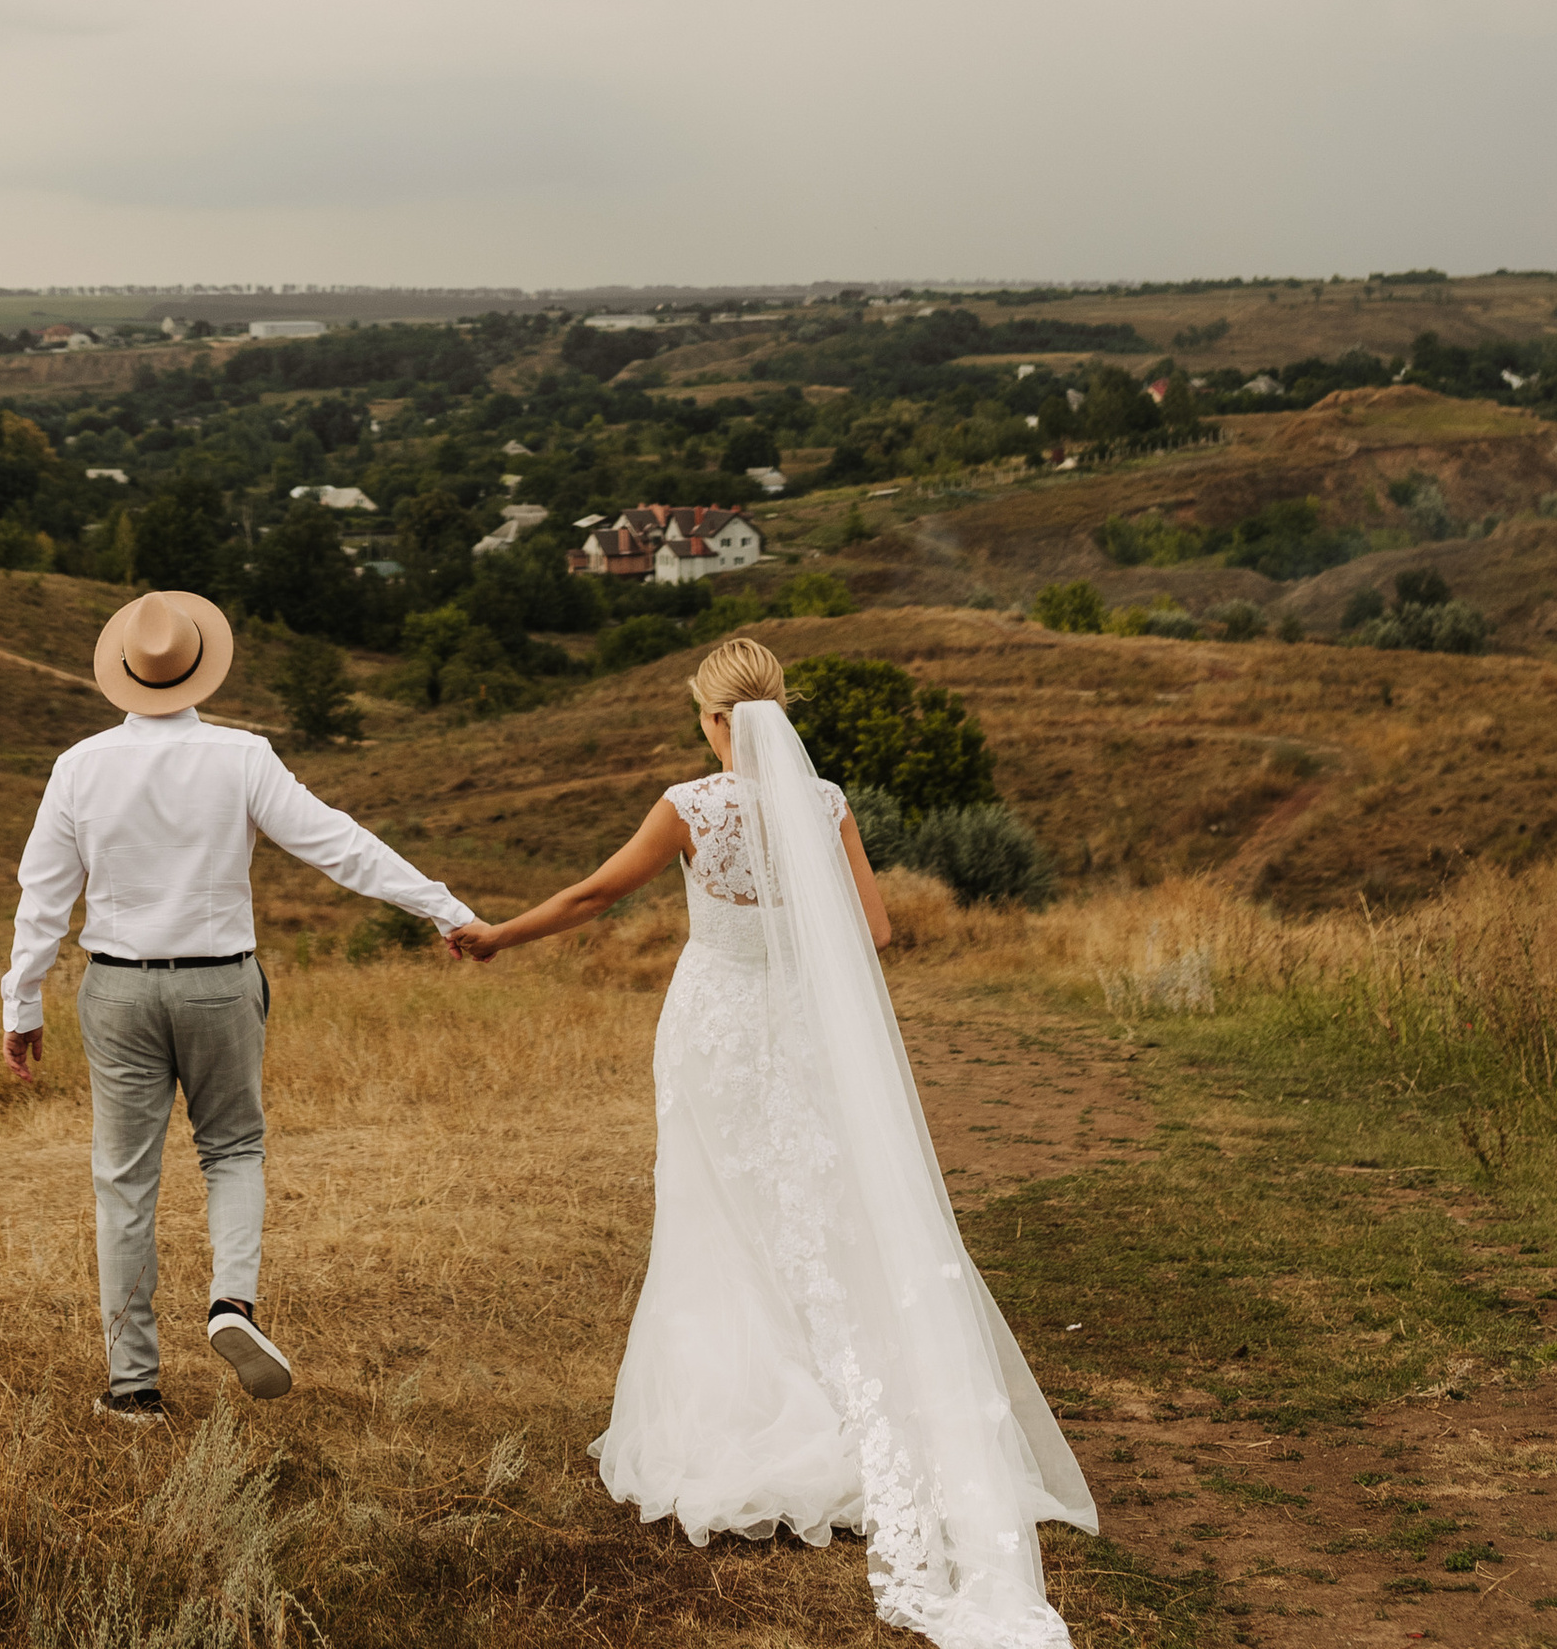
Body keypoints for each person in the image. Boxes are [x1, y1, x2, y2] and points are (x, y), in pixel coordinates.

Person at [456, 633, 1095, 1649]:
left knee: (717, 1210)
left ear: (714, 720)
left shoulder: (689, 807)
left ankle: (736, 1420)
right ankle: (855, 1405)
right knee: (818, 1206)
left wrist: (494, 934)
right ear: (779, 713)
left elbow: (591, 897)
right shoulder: (825, 804)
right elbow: (875, 934)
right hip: (802, 1028)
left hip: (712, 1029)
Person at [3, 585, 489, 1421]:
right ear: (199, 672)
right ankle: (232, 1305)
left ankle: (133, 1390)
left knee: (123, 1182)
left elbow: (43, 896)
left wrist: (22, 1002)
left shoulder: (79, 766)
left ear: (123, 672)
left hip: (117, 985)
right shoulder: (241, 757)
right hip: (222, 981)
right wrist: (445, 907)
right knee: (231, 1151)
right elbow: (339, 844)